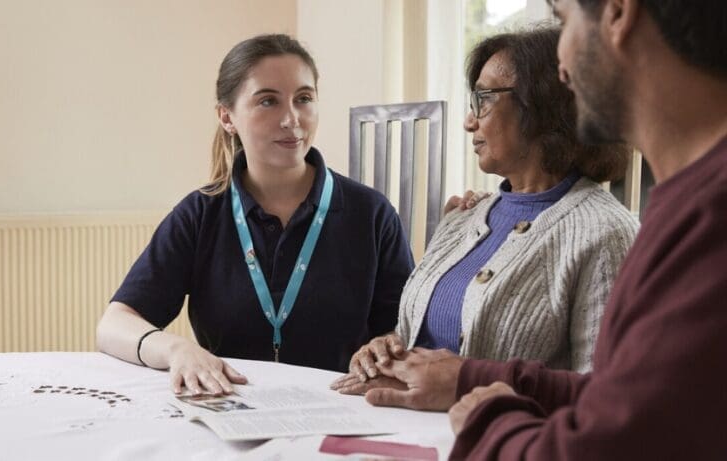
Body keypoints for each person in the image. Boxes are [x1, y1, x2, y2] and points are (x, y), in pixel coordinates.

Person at [336, 0, 727, 459]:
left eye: (564, 20)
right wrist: (400, 358)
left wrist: (487, 416)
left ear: (620, 13)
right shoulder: (466, 214)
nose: (563, 65)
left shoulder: (663, 223)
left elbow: (615, 431)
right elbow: (623, 400)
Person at [96, 34, 414, 396]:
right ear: (227, 117)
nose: (291, 119)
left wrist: (387, 345)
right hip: (233, 411)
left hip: (341, 413)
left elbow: (404, 330)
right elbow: (114, 325)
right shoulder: (200, 215)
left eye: (304, 99)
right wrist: (177, 349)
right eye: (268, 101)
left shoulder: (371, 214)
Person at [331, 27, 638, 395]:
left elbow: (609, 397)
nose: (469, 121)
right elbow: (423, 335)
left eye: (483, 99)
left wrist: (465, 384)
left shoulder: (606, 233)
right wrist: (384, 350)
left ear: (544, 105)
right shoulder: (464, 217)